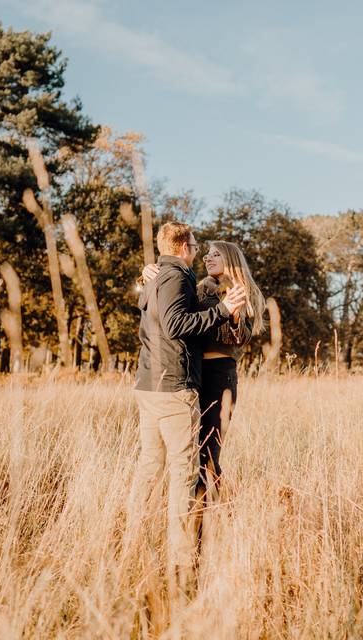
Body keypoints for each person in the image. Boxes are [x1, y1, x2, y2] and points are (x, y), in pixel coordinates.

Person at [130, 222, 246, 583]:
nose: (201, 252)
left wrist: (147, 276)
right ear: (183, 246)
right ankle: (183, 561)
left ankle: (138, 538)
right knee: (185, 472)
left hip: (152, 384)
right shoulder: (179, 277)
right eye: (198, 246)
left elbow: (148, 306)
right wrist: (223, 309)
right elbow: (176, 323)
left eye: (213, 252)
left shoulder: (162, 276)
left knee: (157, 466)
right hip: (175, 385)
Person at [142, 240, 264, 503]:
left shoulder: (243, 291)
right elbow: (171, 313)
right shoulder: (196, 287)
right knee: (186, 452)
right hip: (191, 374)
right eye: (207, 254)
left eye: (216, 254)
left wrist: (232, 315)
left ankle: (212, 519)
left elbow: (240, 338)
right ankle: (192, 518)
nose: (208, 258)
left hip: (220, 377)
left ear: (231, 259)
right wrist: (149, 277)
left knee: (208, 452)